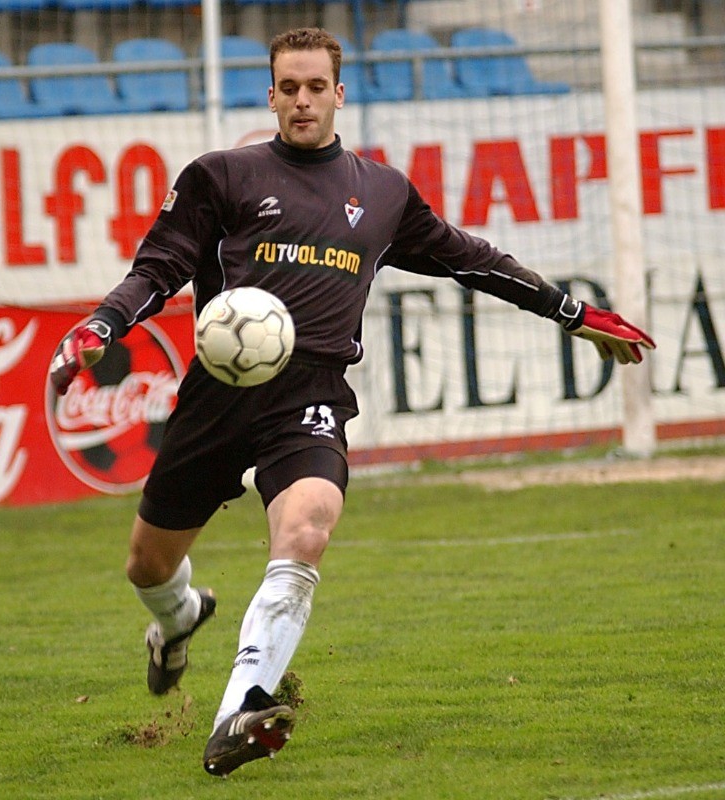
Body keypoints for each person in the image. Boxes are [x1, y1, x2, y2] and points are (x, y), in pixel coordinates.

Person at [49, 27, 655, 777]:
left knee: (307, 527)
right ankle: (179, 619)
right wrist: (101, 326)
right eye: (289, 88)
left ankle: (239, 708)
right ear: (270, 96)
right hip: (218, 398)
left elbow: (471, 259)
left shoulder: (383, 192)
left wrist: (572, 312)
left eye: (316, 87)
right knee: (148, 564)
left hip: (310, 392)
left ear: (339, 93)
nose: (303, 101)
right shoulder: (221, 176)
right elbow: (159, 267)